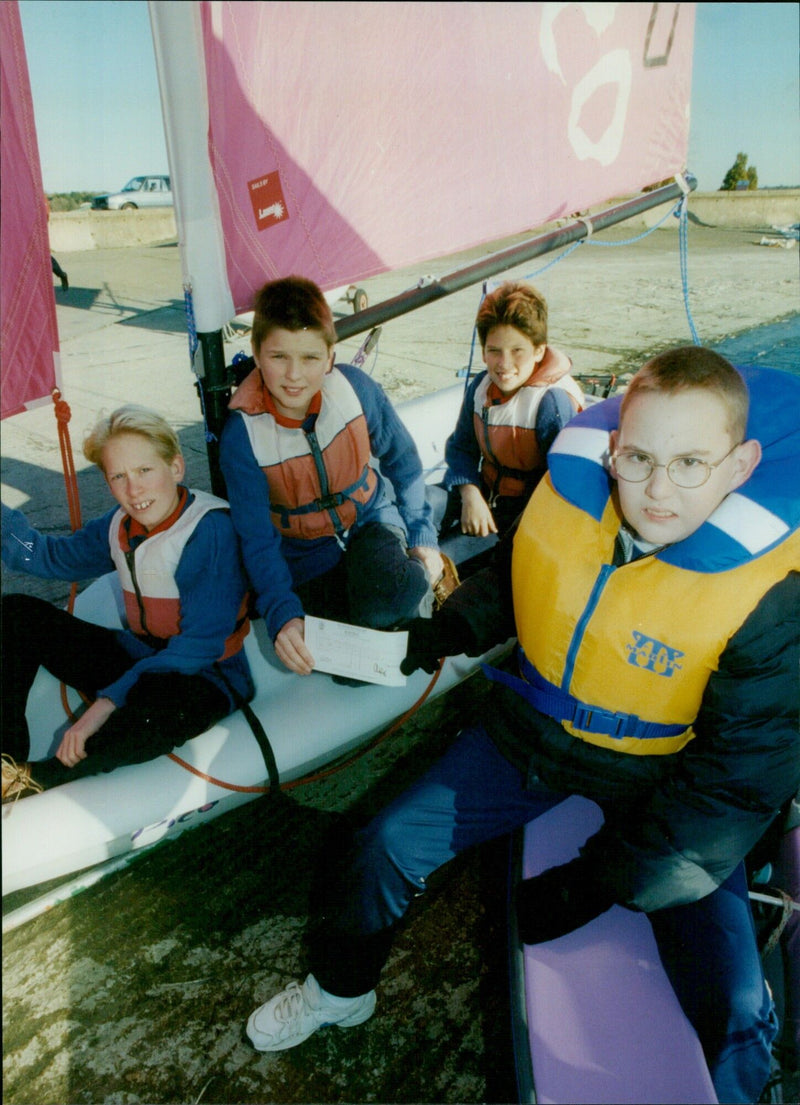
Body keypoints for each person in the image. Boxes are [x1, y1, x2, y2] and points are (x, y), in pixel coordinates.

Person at [244, 348, 800, 1105]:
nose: (658, 489)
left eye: (691, 462)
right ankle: (341, 989)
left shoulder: (768, 598)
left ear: (740, 467)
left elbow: (733, 786)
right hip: (527, 731)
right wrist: (441, 632)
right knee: (376, 843)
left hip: (662, 773)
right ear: (612, 451)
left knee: (735, 1002)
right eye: (637, 458)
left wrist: (598, 880)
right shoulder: (571, 503)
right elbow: (520, 575)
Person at [1, 405, 253, 800]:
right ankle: (5, 760)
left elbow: (198, 648)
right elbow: (47, 557)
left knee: (155, 714)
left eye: (144, 471)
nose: (133, 490)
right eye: (119, 476)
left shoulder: (210, 532)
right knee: (14, 613)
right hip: (139, 657)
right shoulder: (120, 523)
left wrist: (105, 704)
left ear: (176, 468)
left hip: (206, 675)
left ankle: (37, 778)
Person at [219, 275, 451, 678]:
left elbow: (404, 460)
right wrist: (282, 614)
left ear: (330, 356)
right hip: (303, 552)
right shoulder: (242, 438)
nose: (294, 375)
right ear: (256, 354)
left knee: (385, 605)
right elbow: (256, 539)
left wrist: (422, 538)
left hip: (370, 522)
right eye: (278, 357)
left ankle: (430, 570)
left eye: (309, 358)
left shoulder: (355, 387)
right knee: (341, 666)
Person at [429, 281, 582, 560]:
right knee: (423, 503)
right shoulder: (480, 387)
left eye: (517, 350)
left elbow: (563, 488)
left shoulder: (551, 403)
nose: (504, 363)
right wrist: (471, 495)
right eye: (494, 350)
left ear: (538, 351)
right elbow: (462, 448)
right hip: (483, 491)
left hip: (520, 516)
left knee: (441, 558)